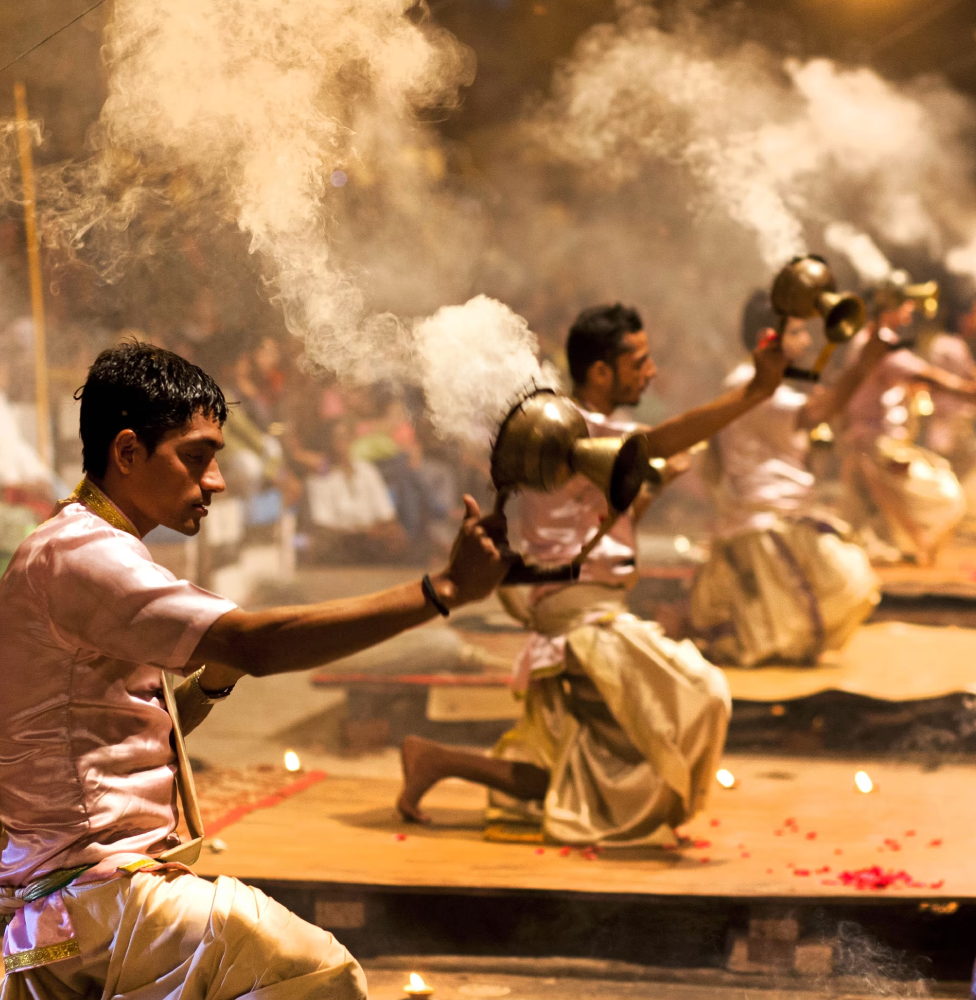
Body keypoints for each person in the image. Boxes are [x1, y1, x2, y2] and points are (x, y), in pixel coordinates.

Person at [0, 342, 507, 999]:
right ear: (127, 453)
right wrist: (439, 592)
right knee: (314, 971)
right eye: (196, 457)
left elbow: (118, 731)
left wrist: (214, 678)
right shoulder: (82, 557)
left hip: (81, 905)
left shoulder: (80, 546)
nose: (216, 482)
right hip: (93, 905)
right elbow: (259, 646)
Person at [395, 303, 787, 846]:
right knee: (705, 693)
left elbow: (606, 527)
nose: (651, 374)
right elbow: (658, 441)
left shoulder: (587, 445)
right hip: (576, 613)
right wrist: (754, 394)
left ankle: (435, 760)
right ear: (600, 372)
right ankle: (437, 761)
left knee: (587, 758)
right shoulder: (567, 433)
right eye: (639, 362)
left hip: (592, 604)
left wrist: (651, 488)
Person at [689, 291, 887, 668]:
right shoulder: (749, 383)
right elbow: (818, 412)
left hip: (779, 521)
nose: (807, 341)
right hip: (764, 526)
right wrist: (861, 366)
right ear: (769, 336)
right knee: (847, 587)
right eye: (797, 331)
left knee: (837, 600)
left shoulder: (764, 382)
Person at [841, 275, 976, 565]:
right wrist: (974, 391)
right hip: (877, 445)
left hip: (873, 443)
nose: (910, 307)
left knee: (881, 516)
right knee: (947, 497)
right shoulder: (877, 342)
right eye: (902, 302)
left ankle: (917, 544)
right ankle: (918, 545)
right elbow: (926, 376)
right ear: (884, 307)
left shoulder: (874, 340)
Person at [303, 417, 409, 562]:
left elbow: (386, 513)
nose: (340, 443)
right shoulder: (319, 478)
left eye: (345, 437)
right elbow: (323, 524)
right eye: (336, 438)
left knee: (396, 534)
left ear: (353, 439)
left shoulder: (367, 471)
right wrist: (363, 532)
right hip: (342, 545)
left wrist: (380, 530)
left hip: (373, 542)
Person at [923, 291, 976, 479]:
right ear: (962, 317)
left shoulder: (955, 345)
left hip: (954, 431)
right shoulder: (950, 346)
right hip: (950, 432)